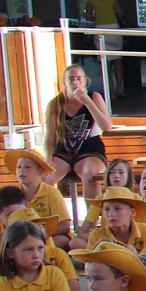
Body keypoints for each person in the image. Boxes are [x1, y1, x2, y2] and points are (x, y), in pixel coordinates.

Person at [43, 64, 112, 203]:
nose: (75, 82)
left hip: (90, 151)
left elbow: (106, 127)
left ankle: (92, 215)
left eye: (79, 78)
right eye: (71, 79)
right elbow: (50, 138)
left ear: (85, 81)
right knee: (44, 177)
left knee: (90, 173)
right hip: (63, 152)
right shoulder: (55, 104)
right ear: (64, 82)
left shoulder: (94, 97)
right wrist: (48, 159)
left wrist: (88, 102)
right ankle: (50, 213)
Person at [84, 0, 125, 94]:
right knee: (117, 61)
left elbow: (88, 16)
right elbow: (119, 12)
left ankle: (110, 92)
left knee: (105, 62)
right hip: (113, 29)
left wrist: (96, 18)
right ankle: (119, 89)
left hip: (99, 30)